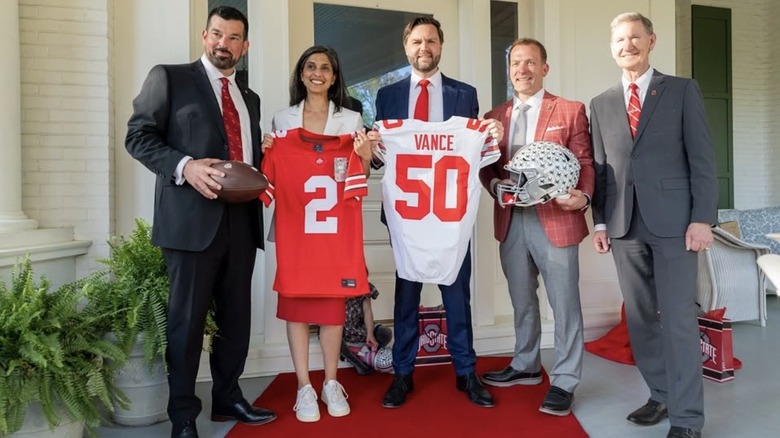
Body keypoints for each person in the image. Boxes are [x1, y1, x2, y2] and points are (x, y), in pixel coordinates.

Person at [125, 6, 275, 438]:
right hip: (190, 223)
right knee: (186, 323)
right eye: (216, 34)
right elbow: (138, 136)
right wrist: (185, 166)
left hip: (242, 222)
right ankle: (184, 417)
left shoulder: (250, 98)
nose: (223, 44)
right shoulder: (169, 77)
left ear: (244, 47)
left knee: (235, 319)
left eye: (233, 38)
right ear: (203, 36)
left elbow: (247, 158)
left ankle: (227, 397)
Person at [589, 12, 717, 438]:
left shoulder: (681, 90)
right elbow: (602, 169)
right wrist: (601, 222)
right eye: (619, 40)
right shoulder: (602, 102)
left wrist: (702, 219)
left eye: (635, 38)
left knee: (679, 319)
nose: (627, 46)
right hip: (625, 227)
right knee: (641, 318)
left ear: (651, 41)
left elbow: (702, 160)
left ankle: (687, 419)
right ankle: (660, 393)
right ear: (612, 48)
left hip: (676, 225)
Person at [369, 16, 503, 409]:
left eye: (430, 40)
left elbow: (473, 153)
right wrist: (375, 147)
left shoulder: (466, 93)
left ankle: (466, 372)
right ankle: (403, 373)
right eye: (416, 41)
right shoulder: (388, 95)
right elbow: (382, 159)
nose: (423, 47)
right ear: (406, 46)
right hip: (407, 219)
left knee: (457, 295)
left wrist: (489, 135)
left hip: (448, 216)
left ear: (440, 46)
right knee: (406, 295)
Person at [478, 38, 594, 417]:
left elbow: (585, 162)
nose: (522, 69)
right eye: (515, 63)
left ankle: (564, 380)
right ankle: (526, 364)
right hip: (512, 220)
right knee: (522, 300)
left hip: (557, 218)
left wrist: (584, 196)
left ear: (544, 68)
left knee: (564, 304)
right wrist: (496, 186)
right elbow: (487, 166)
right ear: (509, 70)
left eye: (530, 62)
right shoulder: (494, 115)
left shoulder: (570, 110)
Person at [263, 45, 373, 423]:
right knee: (296, 306)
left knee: (332, 308)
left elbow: (362, 178)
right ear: (301, 74)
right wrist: (268, 150)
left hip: (334, 232)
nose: (317, 73)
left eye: (325, 67)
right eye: (310, 67)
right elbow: (270, 175)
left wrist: (365, 153)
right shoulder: (283, 119)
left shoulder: (353, 119)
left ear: (335, 75)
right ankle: (303, 386)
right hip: (298, 230)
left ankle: (329, 381)